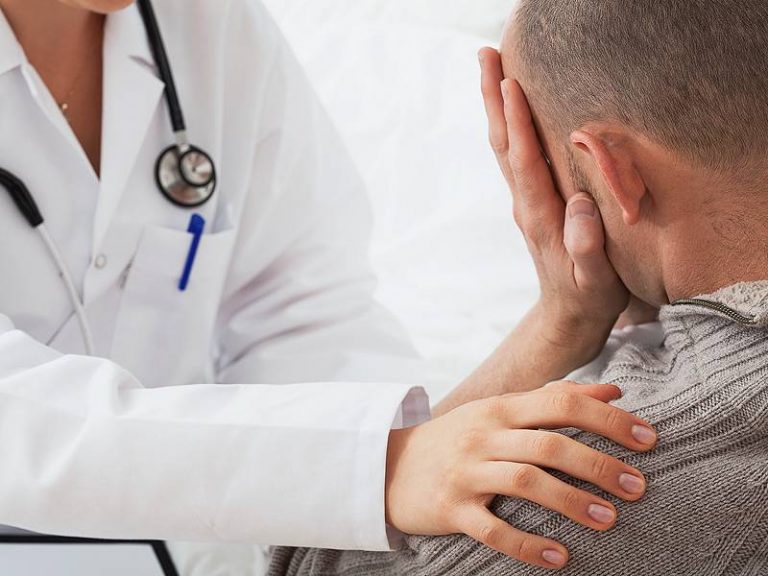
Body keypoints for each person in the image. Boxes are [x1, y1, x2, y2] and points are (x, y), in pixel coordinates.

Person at [0, 0, 656, 568]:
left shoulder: (209, 23)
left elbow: (304, 310)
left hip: (189, 531)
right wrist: (376, 468)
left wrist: (552, 333)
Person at [266, 0, 768, 574]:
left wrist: (559, 322)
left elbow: (310, 558)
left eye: (541, 165)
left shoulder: (590, 483)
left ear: (616, 173)